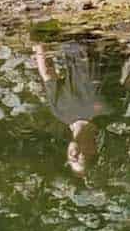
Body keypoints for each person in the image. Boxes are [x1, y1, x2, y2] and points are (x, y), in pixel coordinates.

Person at [34, 42, 104, 176]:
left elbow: (48, 74)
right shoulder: (109, 113)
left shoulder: (60, 113)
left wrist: (39, 45)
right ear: (93, 150)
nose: (74, 156)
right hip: (105, 37)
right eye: (79, 159)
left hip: (71, 41)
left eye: (72, 160)